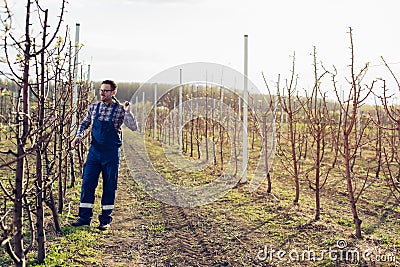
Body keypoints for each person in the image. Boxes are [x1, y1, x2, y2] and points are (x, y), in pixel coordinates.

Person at [70, 79, 138, 230]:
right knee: (87, 183)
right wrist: (78, 136)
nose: (102, 93)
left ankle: (105, 220)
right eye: (101, 90)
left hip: (111, 154)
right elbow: (85, 123)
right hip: (94, 152)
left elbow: (134, 127)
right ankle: (84, 217)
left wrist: (128, 112)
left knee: (109, 186)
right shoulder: (95, 107)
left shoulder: (120, 110)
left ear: (113, 92)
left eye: (105, 90)